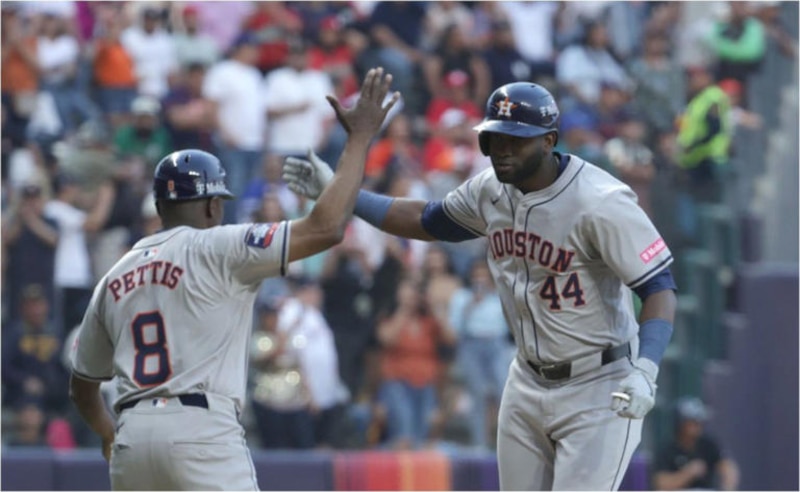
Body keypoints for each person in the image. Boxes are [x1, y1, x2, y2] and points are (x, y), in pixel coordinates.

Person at [283, 81, 678, 490]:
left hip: (598, 383)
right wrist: (340, 193)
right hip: (526, 379)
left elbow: (659, 287)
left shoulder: (600, 201)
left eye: (515, 140)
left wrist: (645, 370)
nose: (502, 149)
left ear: (549, 141)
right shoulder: (489, 189)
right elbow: (425, 220)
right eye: (494, 138)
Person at [68, 68, 399, 490]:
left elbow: (82, 388)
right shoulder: (220, 246)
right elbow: (327, 228)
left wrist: (110, 432)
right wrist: (359, 139)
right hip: (200, 430)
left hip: (133, 434)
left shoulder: (113, 276)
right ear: (211, 207)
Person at [652, 397, 740, 490]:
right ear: (681, 423)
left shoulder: (708, 444)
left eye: (700, 422)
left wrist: (728, 488)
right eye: (693, 422)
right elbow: (661, 484)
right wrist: (689, 472)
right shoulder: (668, 449)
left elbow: (728, 468)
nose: (698, 426)